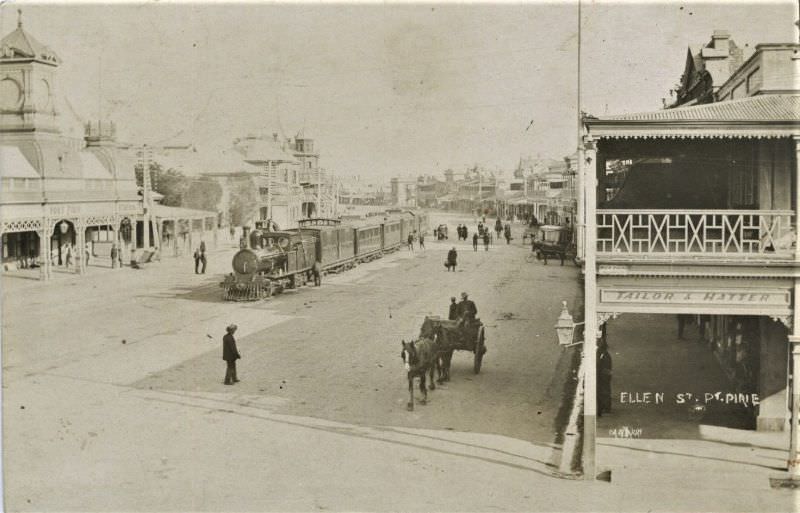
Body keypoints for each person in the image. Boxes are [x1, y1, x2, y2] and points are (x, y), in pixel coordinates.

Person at [597, 339, 613, 416]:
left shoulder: (603, 356)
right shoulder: (605, 355)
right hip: (605, 373)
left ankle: (606, 407)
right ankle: (605, 406)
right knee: (605, 389)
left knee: (604, 389)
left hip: (604, 374)